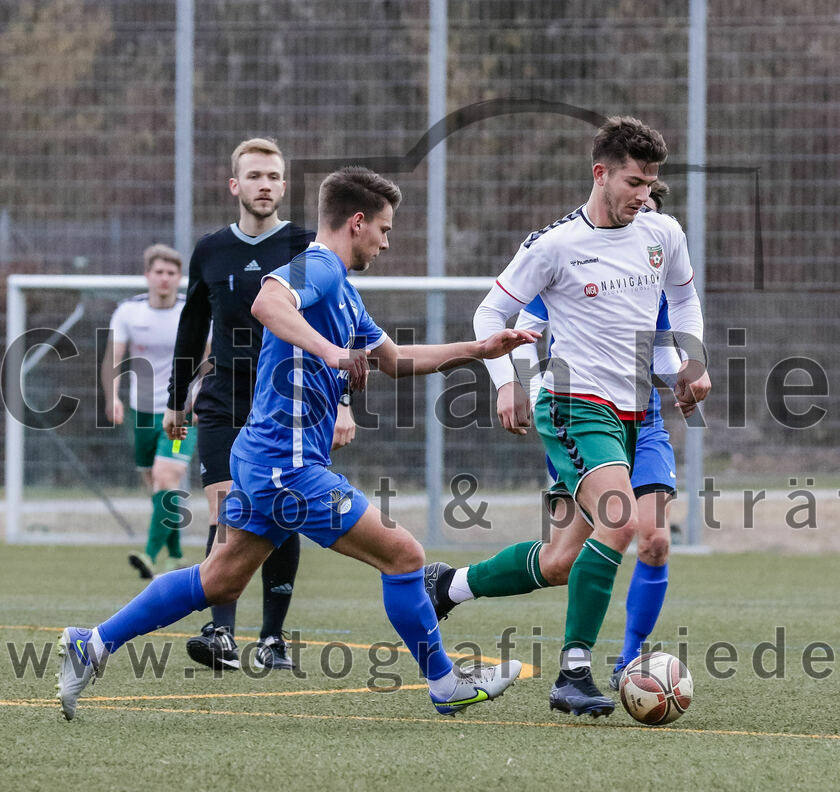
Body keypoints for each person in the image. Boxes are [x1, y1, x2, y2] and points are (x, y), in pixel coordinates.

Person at [56, 165, 536, 722]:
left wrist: (479, 350)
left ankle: (91, 642)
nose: (387, 241)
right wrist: (331, 353)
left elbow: (395, 361)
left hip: (265, 458)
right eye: (384, 228)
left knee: (220, 577)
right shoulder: (318, 267)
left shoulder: (344, 293)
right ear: (357, 222)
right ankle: (445, 683)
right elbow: (267, 305)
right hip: (287, 464)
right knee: (405, 555)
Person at [443, 118, 711, 717]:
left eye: (651, 183)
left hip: (637, 412)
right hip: (573, 403)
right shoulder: (554, 245)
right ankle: (574, 673)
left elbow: (685, 299)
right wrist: (506, 380)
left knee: (563, 561)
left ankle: (448, 586)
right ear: (601, 174)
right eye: (635, 181)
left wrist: (691, 364)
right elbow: (492, 314)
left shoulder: (662, 232)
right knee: (621, 522)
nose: (645, 194)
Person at [164, 138, 329, 672]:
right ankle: (220, 634)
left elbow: (332, 323)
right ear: (235, 185)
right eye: (254, 176)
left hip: (287, 403)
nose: (265, 185)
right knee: (225, 507)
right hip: (222, 400)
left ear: (283, 186)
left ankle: (273, 638)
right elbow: (192, 328)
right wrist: (176, 398)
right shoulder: (211, 249)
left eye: (274, 177)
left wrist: (344, 403)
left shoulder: (306, 247)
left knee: (281, 512)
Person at [101, 244, 196, 578]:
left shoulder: (191, 311)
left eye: (172, 273)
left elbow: (210, 361)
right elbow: (113, 358)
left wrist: (195, 398)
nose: (165, 279)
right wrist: (111, 396)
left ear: (179, 277)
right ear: (148, 276)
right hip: (140, 413)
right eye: (159, 272)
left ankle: (150, 555)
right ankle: (176, 554)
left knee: (166, 477)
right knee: (157, 487)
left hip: (180, 412)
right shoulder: (129, 311)